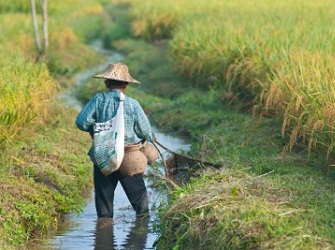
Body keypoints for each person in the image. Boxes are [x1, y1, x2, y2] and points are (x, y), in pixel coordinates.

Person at [75, 63, 154, 218]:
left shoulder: (98, 100)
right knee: (141, 206)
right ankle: (141, 233)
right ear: (126, 84)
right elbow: (144, 131)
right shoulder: (133, 104)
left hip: (103, 155)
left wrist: (95, 130)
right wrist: (150, 137)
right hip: (129, 158)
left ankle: (104, 234)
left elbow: (81, 122)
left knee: (104, 208)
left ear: (106, 83)